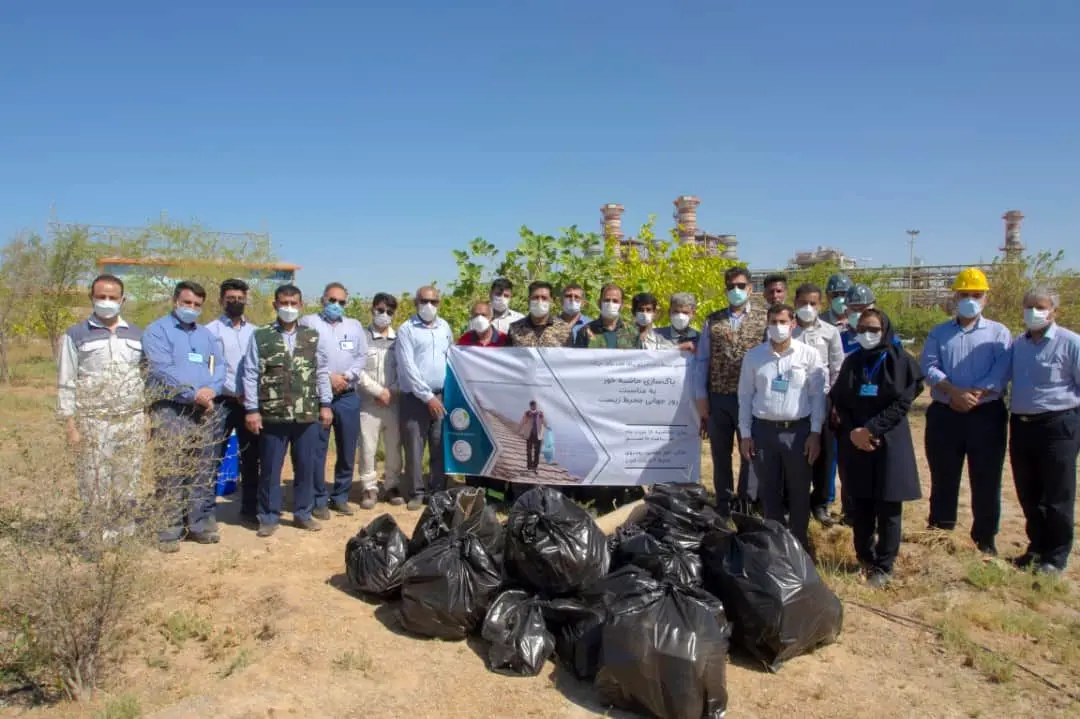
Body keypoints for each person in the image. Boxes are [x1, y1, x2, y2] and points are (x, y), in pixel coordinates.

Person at [830, 309, 924, 588]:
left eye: (873, 329)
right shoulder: (852, 361)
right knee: (860, 502)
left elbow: (903, 402)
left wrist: (872, 429)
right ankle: (864, 556)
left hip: (889, 441)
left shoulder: (901, 361)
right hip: (856, 440)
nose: (867, 334)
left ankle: (884, 564)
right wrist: (855, 432)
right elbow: (840, 401)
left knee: (888, 504)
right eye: (862, 329)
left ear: (885, 331)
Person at [920, 268, 1012, 556]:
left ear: (986, 299)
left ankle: (985, 538)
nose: (970, 300)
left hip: (986, 414)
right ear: (955, 298)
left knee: (986, 478)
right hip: (945, 413)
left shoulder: (999, 332)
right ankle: (941, 531)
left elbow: (1002, 369)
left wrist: (976, 394)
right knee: (943, 476)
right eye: (964, 295)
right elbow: (929, 367)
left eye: (976, 294)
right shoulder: (939, 333)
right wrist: (953, 392)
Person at [57, 274, 146, 533]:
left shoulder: (138, 335)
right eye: (101, 297)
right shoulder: (75, 335)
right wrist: (70, 425)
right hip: (93, 420)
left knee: (127, 482)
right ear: (91, 298)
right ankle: (95, 536)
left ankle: (124, 536)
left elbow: (146, 377)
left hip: (131, 418)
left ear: (122, 300)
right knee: (94, 482)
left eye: (112, 297)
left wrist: (147, 418)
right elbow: (66, 381)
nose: (107, 301)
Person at [143, 281, 226, 552]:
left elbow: (219, 366)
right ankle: (169, 529)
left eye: (197, 305)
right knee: (171, 469)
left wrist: (211, 390)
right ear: (175, 301)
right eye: (187, 302)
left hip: (204, 410)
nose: (191, 308)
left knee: (202, 468)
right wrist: (192, 393)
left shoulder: (206, 335)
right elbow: (161, 369)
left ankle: (198, 524)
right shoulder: (157, 331)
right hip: (171, 408)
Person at [243, 285, 332, 536]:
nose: (289, 308)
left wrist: (326, 404)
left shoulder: (312, 336)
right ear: (275, 305)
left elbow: (321, 372)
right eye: (284, 303)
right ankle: (268, 516)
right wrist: (252, 409)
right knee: (270, 468)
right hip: (273, 413)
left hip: (307, 413)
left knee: (306, 467)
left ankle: (303, 513)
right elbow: (250, 374)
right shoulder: (261, 336)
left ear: (301, 305)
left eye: (293, 303)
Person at [737, 304, 826, 552]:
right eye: (774, 322)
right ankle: (775, 548)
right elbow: (745, 396)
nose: (778, 327)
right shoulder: (753, 356)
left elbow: (817, 396)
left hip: (798, 432)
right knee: (769, 492)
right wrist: (745, 435)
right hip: (763, 432)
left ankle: (799, 547)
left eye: (783, 322)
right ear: (767, 324)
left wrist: (815, 433)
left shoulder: (809, 355)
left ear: (793, 324)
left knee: (799, 492)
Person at [1006, 287, 1080, 576]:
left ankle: (1056, 556)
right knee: (1028, 492)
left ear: (1054, 311)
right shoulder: (1018, 345)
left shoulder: (1071, 343)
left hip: (1058, 425)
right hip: (1022, 425)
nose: (1033, 312)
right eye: (1029, 306)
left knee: (1058, 493)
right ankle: (1036, 548)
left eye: (1040, 307)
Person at [695, 266, 769, 513]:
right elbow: (702, 360)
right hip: (719, 397)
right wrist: (701, 397)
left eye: (740, 286)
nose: (736, 290)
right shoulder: (712, 320)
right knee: (720, 453)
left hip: (752, 398)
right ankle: (724, 503)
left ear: (750, 288)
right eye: (731, 287)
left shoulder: (764, 318)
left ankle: (746, 502)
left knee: (750, 451)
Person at [300, 282, 367, 516]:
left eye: (341, 302)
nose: (336, 305)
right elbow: (304, 356)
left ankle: (340, 496)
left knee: (347, 450)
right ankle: (318, 499)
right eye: (332, 300)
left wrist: (346, 376)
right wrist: (328, 378)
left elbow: (361, 357)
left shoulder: (354, 326)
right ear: (323, 300)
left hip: (347, 395)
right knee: (317, 450)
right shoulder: (308, 323)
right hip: (319, 396)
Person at [791, 282, 846, 527]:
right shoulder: (785, 329)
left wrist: (833, 402)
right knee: (794, 453)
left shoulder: (830, 332)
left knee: (824, 453)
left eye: (812, 303)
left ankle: (820, 503)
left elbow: (837, 368)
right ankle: (793, 501)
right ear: (795, 303)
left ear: (820, 305)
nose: (807, 307)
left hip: (822, 399)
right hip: (793, 401)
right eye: (803, 303)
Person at [205, 278, 260, 525]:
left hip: (249, 405)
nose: (236, 303)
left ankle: (250, 509)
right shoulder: (210, 331)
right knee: (212, 457)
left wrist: (249, 395)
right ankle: (206, 512)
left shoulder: (256, 332)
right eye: (231, 299)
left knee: (251, 458)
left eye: (240, 299)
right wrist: (232, 390)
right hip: (221, 403)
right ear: (221, 301)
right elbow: (209, 368)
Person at [395, 285, 454, 511]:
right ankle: (417, 492)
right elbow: (408, 368)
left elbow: (451, 356)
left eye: (434, 301)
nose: (429, 306)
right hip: (415, 398)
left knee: (439, 446)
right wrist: (428, 397)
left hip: (441, 395)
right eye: (424, 301)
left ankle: (437, 491)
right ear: (415, 303)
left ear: (439, 303)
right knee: (414, 447)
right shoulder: (406, 330)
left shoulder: (445, 327)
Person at [356, 293, 404, 508]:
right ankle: (369, 488)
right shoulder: (361, 337)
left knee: (394, 448)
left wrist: (390, 393)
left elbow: (405, 369)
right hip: (368, 403)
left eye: (389, 311)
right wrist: (378, 392)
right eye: (380, 310)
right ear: (372, 309)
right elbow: (357, 369)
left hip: (393, 402)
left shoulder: (400, 339)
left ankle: (392, 485)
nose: (384, 315)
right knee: (368, 447)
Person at [506, 281, 573, 347]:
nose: (539, 301)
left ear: (551, 301)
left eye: (544, 298)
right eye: (536, 297)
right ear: (529, 300)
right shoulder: (514, 329)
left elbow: (570, 353)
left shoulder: (564, 330)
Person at [840, 284, 902, 355]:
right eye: (854, 309)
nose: (859, 314)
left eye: (863, 308)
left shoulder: (891, 340)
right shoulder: (839, 340)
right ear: (846, 312)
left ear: (874, 310)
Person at [576, 283, 639, 348]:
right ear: (599, 303)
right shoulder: (584, 332)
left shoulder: (633, 333)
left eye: (615, 301)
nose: (610, 304)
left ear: (622, 305)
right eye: (607, 300)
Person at [519, 400, 547, 472]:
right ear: (530, 406)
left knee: (537, 452)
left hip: (538, 435)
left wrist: (547, 427)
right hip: (530, 434)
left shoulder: (540, 413)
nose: (534, 406)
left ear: (536, 406)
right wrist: (519, 430)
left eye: (535, 405)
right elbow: (523, 421)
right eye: (532, 405)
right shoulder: (527, 413)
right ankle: (529, 466)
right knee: (529, 451)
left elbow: (544, 422)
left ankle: (535, 466)